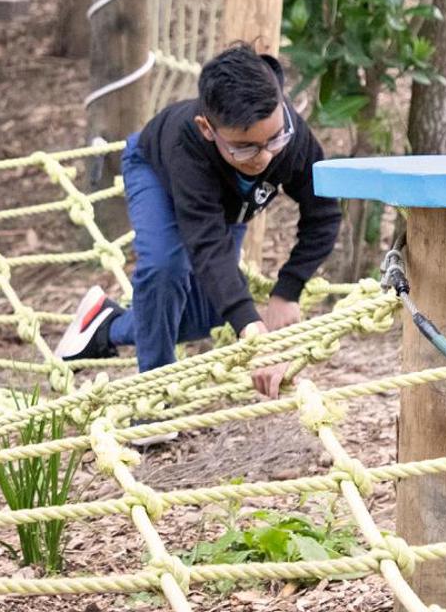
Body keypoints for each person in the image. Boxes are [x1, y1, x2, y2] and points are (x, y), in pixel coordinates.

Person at [57, 44, 341, 404]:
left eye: (274, 138)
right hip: (156, 172)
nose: (265, 155)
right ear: (207, 129)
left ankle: (105, 327)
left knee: (215, 310)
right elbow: (205, 243)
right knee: (166, 268)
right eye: (245, 147)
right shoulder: (186, 145)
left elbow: (324, 213)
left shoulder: (293, 139)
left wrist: (288, 289)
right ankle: (154, 397)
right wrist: (254, 331)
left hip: (227, 207)